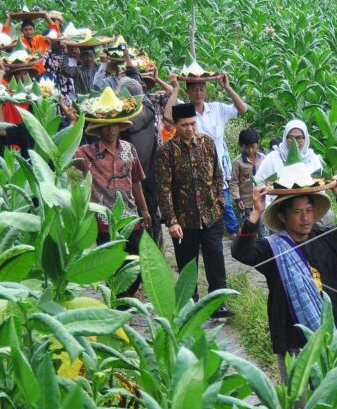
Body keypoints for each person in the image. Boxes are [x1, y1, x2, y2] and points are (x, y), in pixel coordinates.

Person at [232, 179, 337, 379]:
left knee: (335, 399)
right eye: (298, 212)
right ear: (282, 216)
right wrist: (256, 212)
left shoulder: (328, 238)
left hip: (332, 336)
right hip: (293, 342)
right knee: (299, 406)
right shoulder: (272, 249)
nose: (305, 218)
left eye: (309, 210)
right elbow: (241, 252)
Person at [156, 102, 230, 314]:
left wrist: (219, 202)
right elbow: (164, 189)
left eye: (192, 123)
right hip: (184, 219)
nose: (190, 128)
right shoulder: (167, 151)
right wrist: (171, 220)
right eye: (185, 124)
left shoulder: (207, 143)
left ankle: (218, 302)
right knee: (187, 264)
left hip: (211, 215)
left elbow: (218, 174)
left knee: (215, 258)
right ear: (176, 125)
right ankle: (190, 306)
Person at [74, 119, 152, 298]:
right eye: (106, 127)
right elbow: (65, 156)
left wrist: (145, 210)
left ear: (120, 127)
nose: (111, 130)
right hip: (104, 221)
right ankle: (120, 301)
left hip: (130, 217)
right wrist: (74, 124)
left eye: (114, 125)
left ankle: (127, 295)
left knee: (137, 261)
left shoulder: (129, 149)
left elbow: (136, 181)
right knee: (111, 264)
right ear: (98, 130)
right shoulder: (86, 154)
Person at [164, 74, 249, 235]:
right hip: (191, 168)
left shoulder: (217, 109)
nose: (198, 93)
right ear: (188, 92)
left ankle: (230, 233)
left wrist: (227, 87)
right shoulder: (186, 110)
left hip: (216, 168)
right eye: (194, 90)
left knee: (224, 203)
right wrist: (175, 89)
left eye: (202, 89)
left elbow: (242, 109)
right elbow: (168, 116)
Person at [116, 76, 166, 245]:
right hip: (149, 173)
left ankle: (143, 251)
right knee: (151, 214)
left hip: (133, 176)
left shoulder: (126, 118)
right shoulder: (149, 109)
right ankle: (155, 249)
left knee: (138, 216)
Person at [230, 128, 262, 227]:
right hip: (245, 204)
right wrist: (237, 199)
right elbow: (234, 182)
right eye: (247, 148)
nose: (251, 150)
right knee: (247, 230)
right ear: (241, 145)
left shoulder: (263, 159)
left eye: (253, 147)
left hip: (261, 201)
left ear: (258, 144)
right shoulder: (238, 162)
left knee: (262, 230)